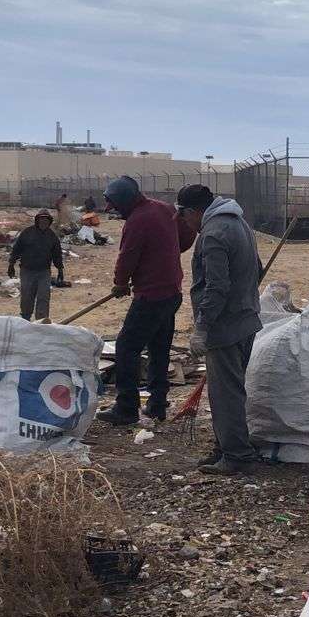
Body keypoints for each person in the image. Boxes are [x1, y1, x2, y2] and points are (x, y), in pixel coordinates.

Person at [175, 184, 263, 475]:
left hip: (225, 327)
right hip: (246, 319)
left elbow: (216, 287)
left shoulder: (213, 234)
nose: (185, 224)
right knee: (232, 390)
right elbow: (256, 269)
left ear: (192, 211)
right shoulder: (239, 223)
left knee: (225, 395)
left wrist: (202, 327)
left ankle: (237, 456)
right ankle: (227, 446)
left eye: (184, 217)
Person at [97, 176, 192, 426]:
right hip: (171, 293)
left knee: (126, 348)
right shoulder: (164, 208)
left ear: (126, 201)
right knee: (159, 349)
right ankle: (157, 404)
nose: (113, 210)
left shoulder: (137, 220)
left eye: (114, 205)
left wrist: (120, 283)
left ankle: (126, 407)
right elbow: (187, 235)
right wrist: (164, 251)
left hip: (151, 295)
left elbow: (127, 256)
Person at [6, 209, 63, 321]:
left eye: (46, 220)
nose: (43, 222)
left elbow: (57, 254)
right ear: (37, 220)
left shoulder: (52, 236)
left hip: (44, 272)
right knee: (27, 297)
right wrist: (11, 264)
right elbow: (16, 249)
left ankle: (41, 322)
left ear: (49, 222)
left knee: (43, 297)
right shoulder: (27, 233)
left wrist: (60, 269)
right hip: (27, 271)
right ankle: (25, 319)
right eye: (41, 220)